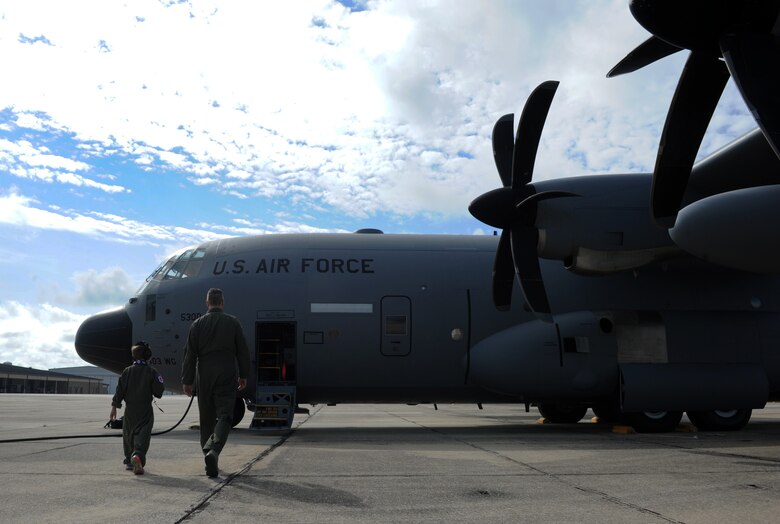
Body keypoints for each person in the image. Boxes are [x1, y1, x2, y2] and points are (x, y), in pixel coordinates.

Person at [182, 287, 250, 478]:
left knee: (206, 418)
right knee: (225, 415)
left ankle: (208, 455)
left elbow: (189, 355)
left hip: (204, 373)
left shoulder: (197, 324)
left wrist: (187, 380)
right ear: (222, 302)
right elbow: (243, 351)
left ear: (207, 303)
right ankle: (214, 451)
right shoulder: (233, 323)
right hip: (227, 372)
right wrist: (244, 374)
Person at [110, 341, 165, 475]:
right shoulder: (152, 372)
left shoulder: (127, 371)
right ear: (147, 355)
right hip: (145, 410)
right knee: (143, 435)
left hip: (129, 411)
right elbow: (159, 391)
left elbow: (119, 391)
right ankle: (138, 456)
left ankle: (129, 460)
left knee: (128, 435)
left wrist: (114, 407)